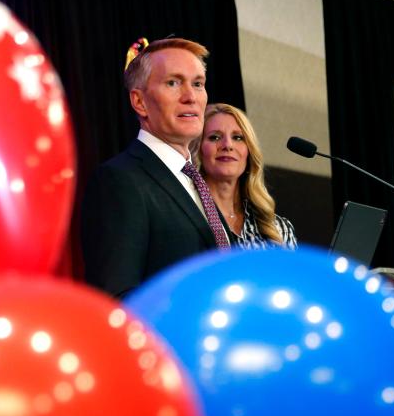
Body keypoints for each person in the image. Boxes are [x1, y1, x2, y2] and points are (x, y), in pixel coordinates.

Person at [81, 37, 235, 298]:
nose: (190, 97)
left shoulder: (195, 180)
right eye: (173, 83)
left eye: (198, 84)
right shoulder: (119, 181)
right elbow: (117, 297)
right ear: (140, 102)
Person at [196, 103, 297, 249]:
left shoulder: (279, 229)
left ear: (249, 152)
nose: (227, 145)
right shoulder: (186, 219)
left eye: (237, 138)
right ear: (198, 149)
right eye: (215, 137)